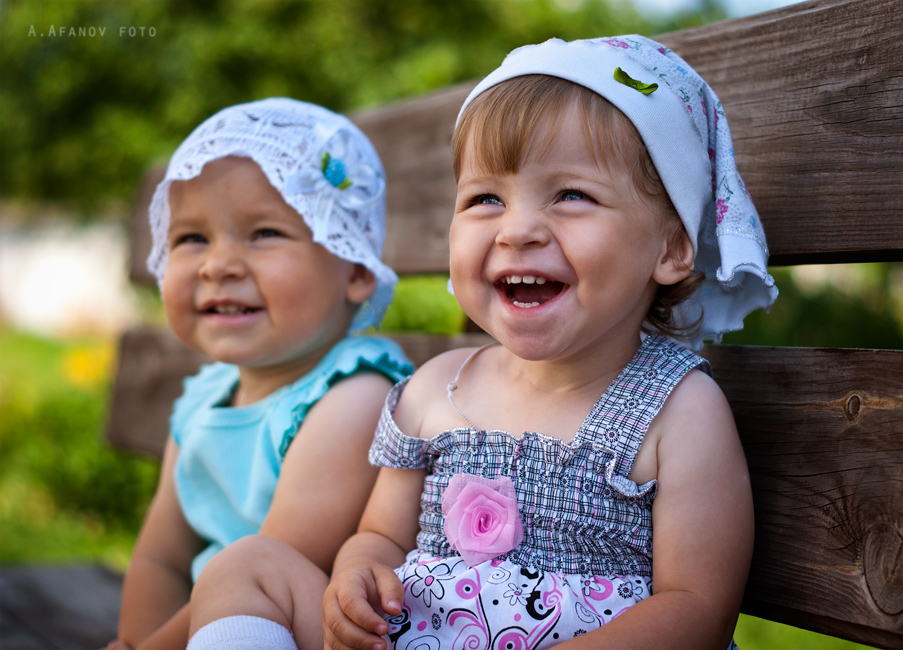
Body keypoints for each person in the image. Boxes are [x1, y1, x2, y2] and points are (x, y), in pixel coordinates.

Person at [189, 34, 778, 650]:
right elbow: (381, 537)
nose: (517, 229)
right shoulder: (436, 388)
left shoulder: (676, 410)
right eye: (485, 198)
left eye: (572, 195)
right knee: (247, 567)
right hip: (411, 634)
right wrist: (357, 575)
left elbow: (696, 609)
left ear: (672, 247)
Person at [111, 98, 412, 650]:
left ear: (356, 269)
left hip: (291, 626)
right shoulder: (204, 401)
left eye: (264, 233)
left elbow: (275, 566)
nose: (217, 264)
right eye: (191, 238)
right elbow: (161, 557)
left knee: (250, 566)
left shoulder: (355, 396)